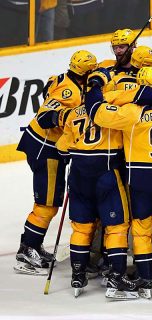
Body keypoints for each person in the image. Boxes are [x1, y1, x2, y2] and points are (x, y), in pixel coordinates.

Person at [84, 66, 152, 297]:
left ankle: (146, 276)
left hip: (140, 177)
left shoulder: (129, 113)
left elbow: (96, 112)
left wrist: (97, 87)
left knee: (142, 228)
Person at [56, 66, 140, 299]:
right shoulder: (111, 111)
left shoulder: (73, 114)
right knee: (116, 226)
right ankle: (116, 275)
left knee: (81, 227)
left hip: (79, 175)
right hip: (106, 173)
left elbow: (63, 147)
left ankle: (78, 273)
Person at [14, 50, 97, 276]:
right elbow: (44, 116)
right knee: (47, 204)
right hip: (45, 148)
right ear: (85, 73)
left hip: (45, 147)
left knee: (50, 201)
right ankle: (26, 250)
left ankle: (33, 245)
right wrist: (65, 117)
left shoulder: (67, 80)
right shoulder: (68, 89)